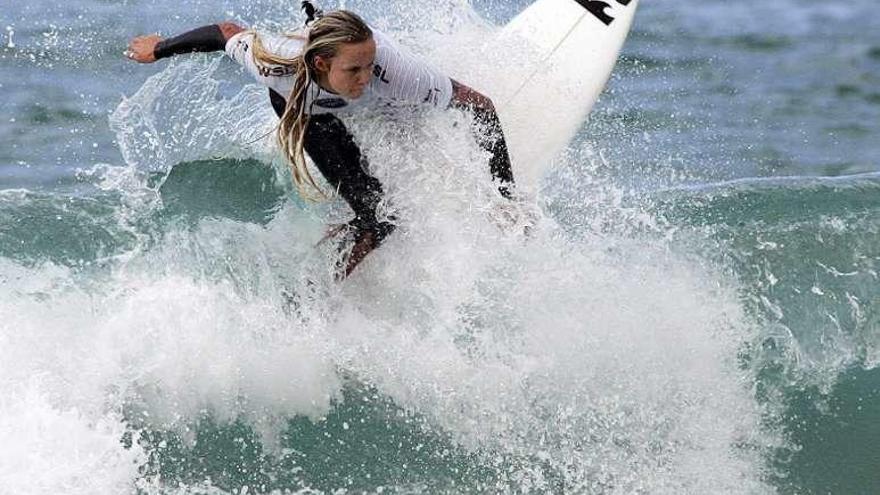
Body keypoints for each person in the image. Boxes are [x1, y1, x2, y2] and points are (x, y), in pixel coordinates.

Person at [125, 2, 517, 278]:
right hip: (306, 109)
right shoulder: (273, 62)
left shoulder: (395, 74)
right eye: (355, 69)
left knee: (395, 130)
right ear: (321, 63)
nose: (367, 76)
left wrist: (505, 197)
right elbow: (224, 32)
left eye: (370, 64)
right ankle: (318, 286)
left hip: (374, 105)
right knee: (379, 216)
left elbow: (482, 107)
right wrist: (158, 49)